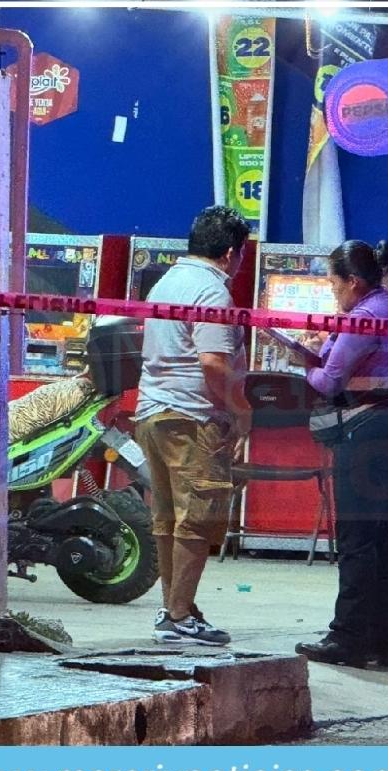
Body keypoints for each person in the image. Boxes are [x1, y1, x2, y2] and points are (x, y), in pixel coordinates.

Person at [135, 205, 253, 645]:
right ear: (229, 252)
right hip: (193, 417)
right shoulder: (212, 292)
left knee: (168, 516)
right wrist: (241, 410)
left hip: (153, 411)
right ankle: (179, 614)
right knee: (199, 518)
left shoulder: (168, 281)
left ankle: (174, 608)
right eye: (241, 254)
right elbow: (213, 365)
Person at [294, 240, 388, 668]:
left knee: (357, 541)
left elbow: (327, 382)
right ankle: (383, 640)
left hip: (365, 434)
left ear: (353, 282)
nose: (332, 292)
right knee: (382, 541)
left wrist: (299, 361)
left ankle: (347, 639)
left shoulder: (364, 316)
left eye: (333, 284)